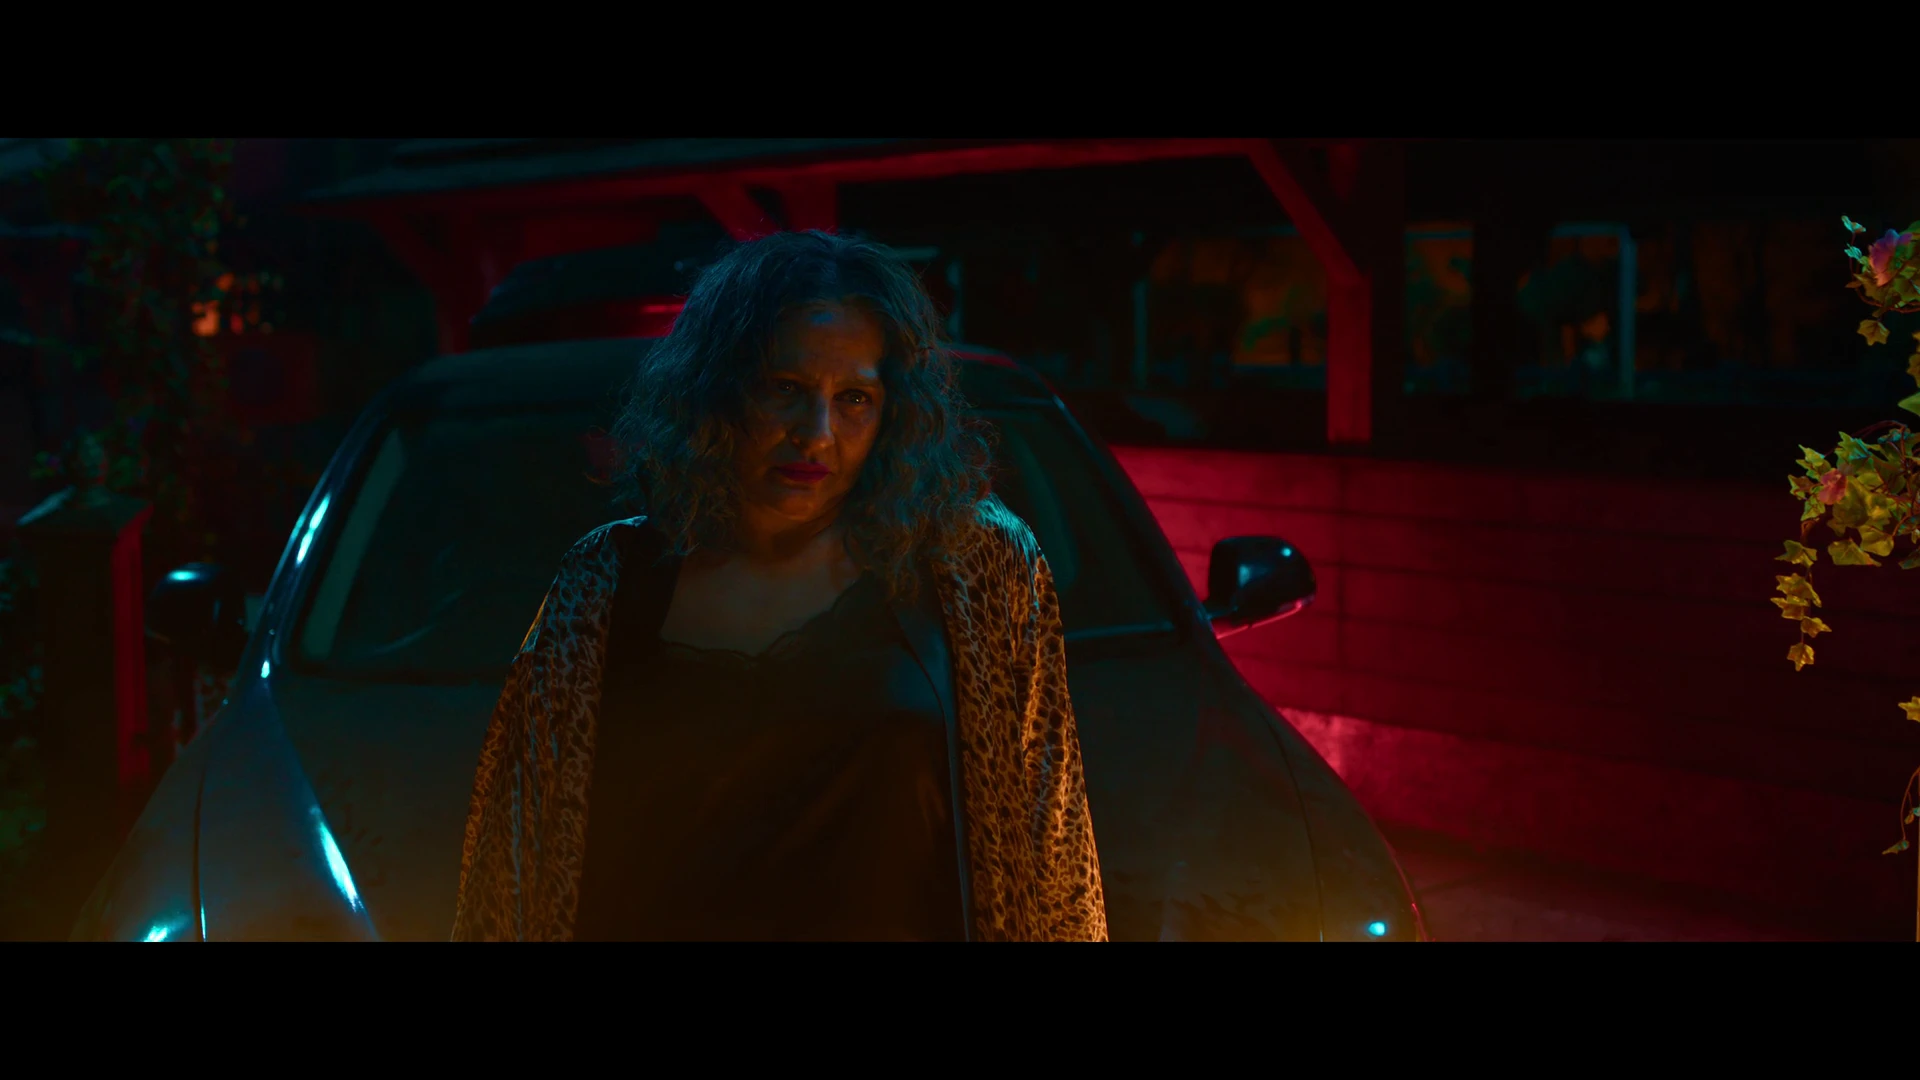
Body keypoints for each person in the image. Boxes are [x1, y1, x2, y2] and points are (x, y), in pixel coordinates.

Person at [450, 230, 1107, 941]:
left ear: (893, 411)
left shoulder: (976, 567)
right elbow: (509, 870)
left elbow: (1054, 853)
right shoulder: (604, 584)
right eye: (785, 389)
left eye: (854, 398)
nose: (816, 432)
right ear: (719, 390)